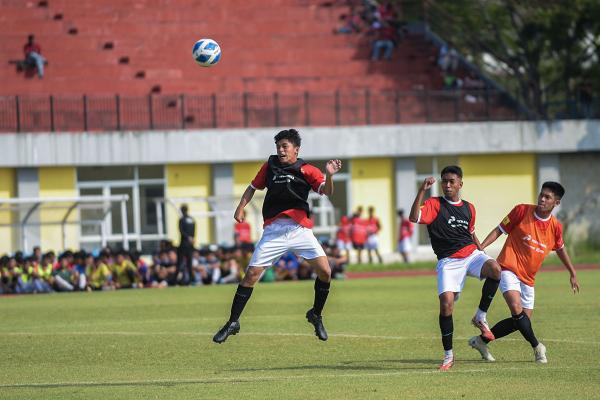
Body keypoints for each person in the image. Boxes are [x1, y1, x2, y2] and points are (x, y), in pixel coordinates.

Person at [212, 128, 342, 343]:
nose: (281, 150)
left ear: (296, 149)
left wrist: (329, 175)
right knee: (251, 275)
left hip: (299, 230)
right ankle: (233, 322)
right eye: (278, 146)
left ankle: (316, 315)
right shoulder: (270, 165)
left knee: (326, 272)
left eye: (285, 146)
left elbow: (326, 191)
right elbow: (253, 187)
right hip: (274, 231)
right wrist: (241, 207)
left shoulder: (306, 169)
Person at [468, 182, 580, 364]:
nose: (542, 199)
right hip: (507, 269)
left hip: (529, 278)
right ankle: (537, 347)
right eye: (541, 195)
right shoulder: (521, 211)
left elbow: (560, 249)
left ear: (556, 203)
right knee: (517, 310)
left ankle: (481, 341)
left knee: (520, 321)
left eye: (547, 197)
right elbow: (499, 230)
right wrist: (481, 248)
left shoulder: (556, 227)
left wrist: (572, 272)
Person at [409, 165, 502, 371]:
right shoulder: (434, 204)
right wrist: (421, 190)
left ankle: (480, 316)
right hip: (448, 261)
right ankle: (449, 356)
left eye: (452, 182)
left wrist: (482, 252)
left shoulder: (469, 208)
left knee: (496, 269)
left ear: (460, 184)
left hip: (471, 254)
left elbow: (470, 233)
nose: (447, 185)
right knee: (446, 306)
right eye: (444, 181)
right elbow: (414, 218)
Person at [177, 204, 196, 285]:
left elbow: (181, 231)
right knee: (189, 263)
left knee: (180, 262)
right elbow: (194, 230)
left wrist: (187, 237)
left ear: (182, 210)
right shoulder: (192, 219)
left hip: (184, 244)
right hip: (191, 244)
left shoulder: (182, 219)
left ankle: (178, 280)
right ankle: (192, 280)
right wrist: (192, 238)